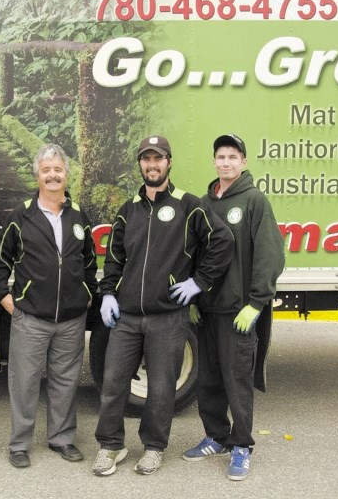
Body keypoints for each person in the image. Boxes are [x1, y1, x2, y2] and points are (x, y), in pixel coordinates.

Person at [92, 135, 234, 477]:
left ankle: (154, 447)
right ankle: (111, 445)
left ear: (169, 162)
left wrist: (199, 282)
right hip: (126, 317)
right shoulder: (129, 209)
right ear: (140, 164)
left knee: (160, 389)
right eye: (146, 159)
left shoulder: (188, 205)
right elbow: (114, 257)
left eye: (158, 159)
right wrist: (108, 293)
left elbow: (222, 241)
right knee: (113, 384)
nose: (152, 165)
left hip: (168, 317)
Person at [182, 133, 285, 481]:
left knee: (237, 380)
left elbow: (270, 255)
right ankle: (216, 436)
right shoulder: (202, 203)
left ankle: (241, 445)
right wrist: (194, 299)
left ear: (243, 162)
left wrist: (256, 303)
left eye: (232, 157)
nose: (226, 162)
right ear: (214, 162)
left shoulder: (255, 201)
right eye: (220, 157)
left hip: (238, 312)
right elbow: (193, 255)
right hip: (207, 310)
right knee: (209, 379)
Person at [0, 143, 98, 468]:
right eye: (46, 170)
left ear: (66, 174)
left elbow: (89, 261)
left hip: (71, 320)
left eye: (58, 169)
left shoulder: (79, 215)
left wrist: (87, 294)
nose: (53, 175)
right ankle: (19, 444)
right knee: (23, 382)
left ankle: (62, 439)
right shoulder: (21, 215)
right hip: (30, 318)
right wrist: (7, 300)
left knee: (66, 381)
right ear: (38, 175)